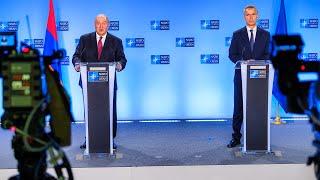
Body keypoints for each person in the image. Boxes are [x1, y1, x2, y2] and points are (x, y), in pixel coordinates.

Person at [72, 14, 127, 149]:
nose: (101, 26)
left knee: (110, 111)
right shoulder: (84, 39)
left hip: (108, 84)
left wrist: (119, 65)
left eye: (104, 23)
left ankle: (110, 139)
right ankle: (89, 138)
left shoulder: (116, 41)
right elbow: (76, 56)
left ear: (108, 24)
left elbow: (122, 59)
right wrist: (77, 64)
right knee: (90, 111)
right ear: (94, 24)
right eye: (98, 23)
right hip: (88, 84)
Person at [227, 5, 270, 148]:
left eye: (253, 14)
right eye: (247, 15)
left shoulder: (265, 35)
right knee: (238, 106)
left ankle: (257, 137)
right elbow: (232, 54)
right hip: (241, 76)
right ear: (244, 17)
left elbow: (268, 54)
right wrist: (244, 61)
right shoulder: (237, 34)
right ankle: (236, 137)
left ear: (257, 16)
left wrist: (256, 63)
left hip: (260, 77)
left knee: (258, 107)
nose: (250, 17)